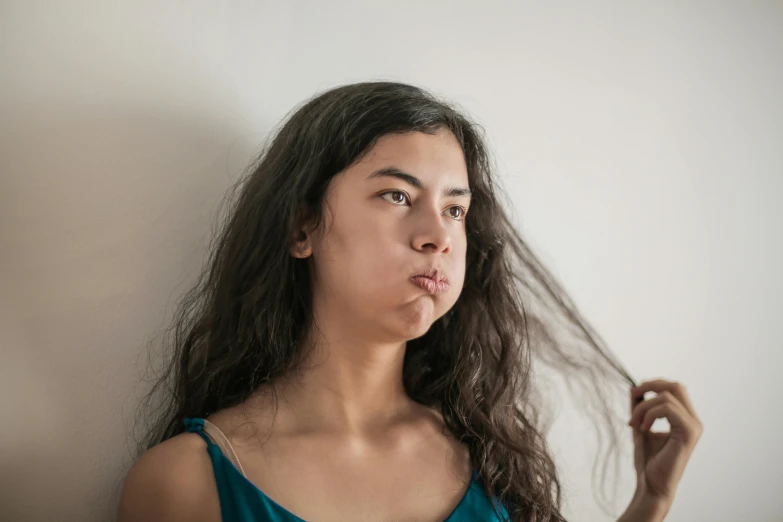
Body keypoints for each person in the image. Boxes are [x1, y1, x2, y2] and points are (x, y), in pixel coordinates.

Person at [116, 81, 703, 522]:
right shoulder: (187, 483)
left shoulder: (488, 459)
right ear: (301, 230)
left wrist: (650, 502)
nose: (438, 236)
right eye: (397, 194)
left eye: (455, 208)